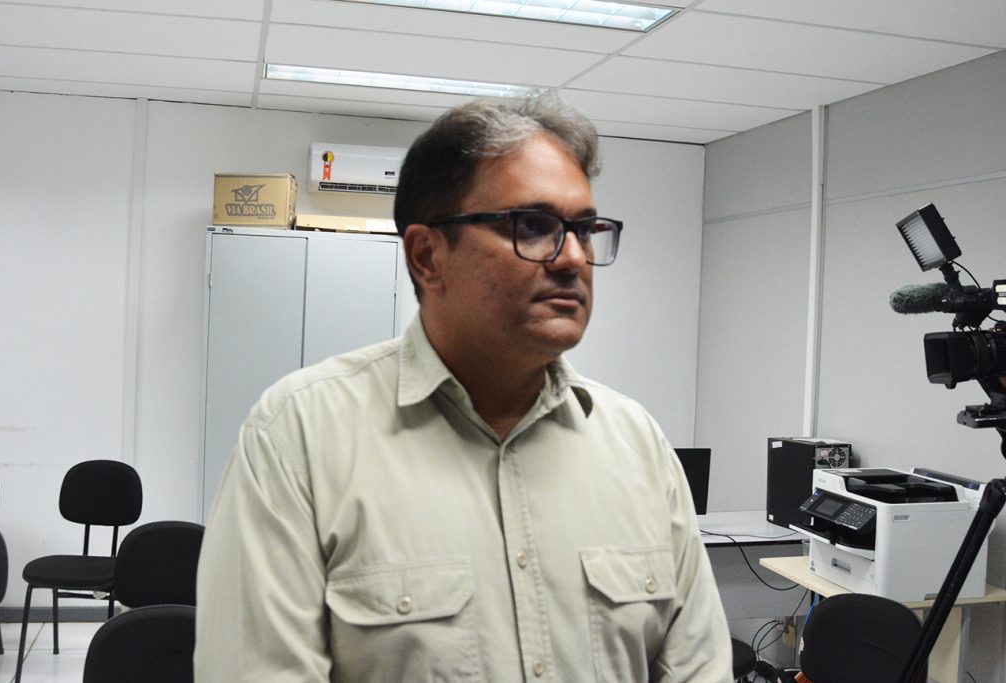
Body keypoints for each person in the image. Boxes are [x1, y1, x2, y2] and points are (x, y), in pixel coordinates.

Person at [195, 92, 731, 682]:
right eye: (533, 226)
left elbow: (698, 666)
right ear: (427, 256)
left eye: (584, 229)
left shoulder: (637, 445)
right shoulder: (298, 436)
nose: (573, 258)